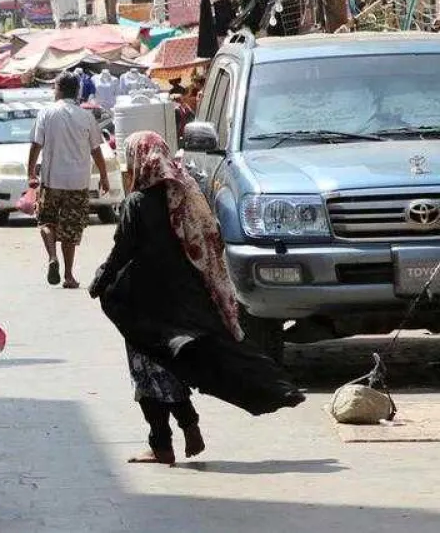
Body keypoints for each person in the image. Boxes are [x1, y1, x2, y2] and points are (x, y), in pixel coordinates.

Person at [90, 132, 304, 465]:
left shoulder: (138, 203)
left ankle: (163, 442)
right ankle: (180, 429)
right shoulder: (186, 194)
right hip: (187, 301)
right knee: (174, 367)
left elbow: (123, 251)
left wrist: (99, 281)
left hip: (146, 306)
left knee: (148, 372)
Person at [28, 73, 110, 289]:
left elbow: (36, 145)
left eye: (54, 87)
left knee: (46, 222)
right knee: (71, 231)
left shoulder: (46, 113)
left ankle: (52, 257)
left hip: (52, 180)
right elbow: (96, 150)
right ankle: (68, 275)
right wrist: (104, 176)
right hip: (78, 183)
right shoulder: (87, 117)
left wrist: (30, 172)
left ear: (60, 89)